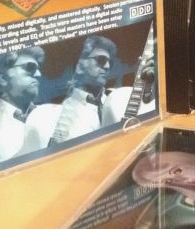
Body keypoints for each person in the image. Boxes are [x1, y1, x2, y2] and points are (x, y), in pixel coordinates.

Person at [23, 35, 155, 150]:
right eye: (101, 60)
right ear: (80, 65)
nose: (107, 66)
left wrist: (147, 86)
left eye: (110, 62)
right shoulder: (54, 113)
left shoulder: (119, 99)